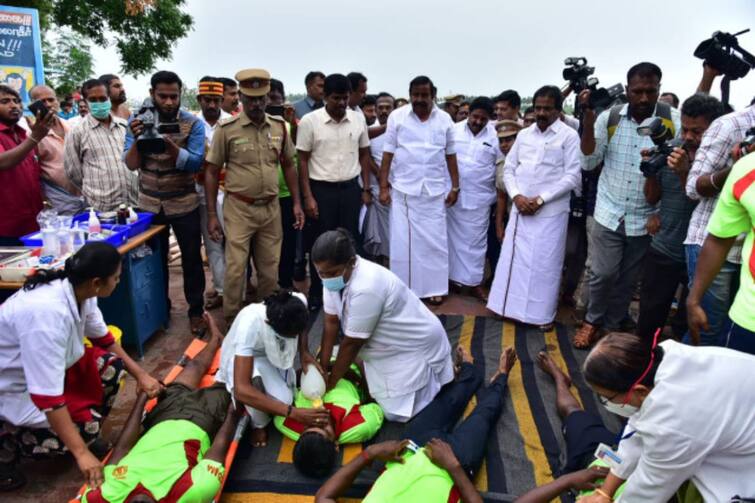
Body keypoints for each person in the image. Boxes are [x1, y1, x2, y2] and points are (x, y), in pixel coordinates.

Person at [0, 243, 162, 491]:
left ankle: (78, 436)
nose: (118, 282)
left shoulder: (81, 291)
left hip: (45, 372)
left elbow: (103, 338)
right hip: (12, 387)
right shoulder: (46, 315)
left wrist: (141, 375)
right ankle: (8, 445)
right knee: (85, 428)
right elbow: (48, 397)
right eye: (116, 278)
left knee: (111, 367)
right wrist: (81, 454)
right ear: (97, 282)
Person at [315, 346, 517, 503]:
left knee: (448, 401)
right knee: (484, 415)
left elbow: (323, 496)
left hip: (411, 447)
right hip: (456, 466)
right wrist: (453, 466)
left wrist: (371, 453)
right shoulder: (455, 466)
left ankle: (470, 372)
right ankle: (501, 377)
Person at [574, 62, 681, 348]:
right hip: (609, 210)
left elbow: (676, 175)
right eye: (638, 91)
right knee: (602, 273)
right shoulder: (609, 118)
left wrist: (660, 213)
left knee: (628, 278)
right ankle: (592, 320)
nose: (644, 98)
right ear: (627, 89)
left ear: (659, 88)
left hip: (645, 216)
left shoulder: (675, 121)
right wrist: (587, 119)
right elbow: (588, 161)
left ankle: (613, 324)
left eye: (651, 91)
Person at [81, 313, 240, 502]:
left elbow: (122, 448)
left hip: (161, 416)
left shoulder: (107, 495)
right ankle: (241, 341)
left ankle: (215, 339)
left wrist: (142, 400)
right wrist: (234, 412)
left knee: (194, 366)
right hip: (202, 419)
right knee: (231, 378)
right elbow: (216, 453)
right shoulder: (186, 493)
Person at [579, 332, 755, 502]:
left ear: (639, 390)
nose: (605, 403)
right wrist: (604, 493)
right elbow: (635, 433)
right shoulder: (656, 359)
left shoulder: (674, 423)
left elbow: (648, 491)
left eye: (608, 398)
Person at [313, 229, 454, 422]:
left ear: (351, 262)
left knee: (394, 413)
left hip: (412, 347)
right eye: (321, 273)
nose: (327, 278)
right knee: (345, 359)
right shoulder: (332, 277)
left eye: (332, 273)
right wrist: (322, 368)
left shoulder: (367, 286)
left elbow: (352, 343)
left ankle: (436, 380)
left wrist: (331, 382)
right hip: (383, 344)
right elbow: (330, 322)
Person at [206, 68, 303, 323]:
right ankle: (232, 322)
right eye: (251, 99)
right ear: (241, 99)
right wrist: (211, 216)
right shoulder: (227, 130)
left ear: (267, 97)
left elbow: (290, 164)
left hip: (271, 209)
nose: (257, 104)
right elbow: (212, 171)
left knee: (269, 271)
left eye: (261, 99)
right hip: (239, 208)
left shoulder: (280, 127)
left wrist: (296, 203)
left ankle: (265, 320)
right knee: (236, 269)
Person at [487, 86, 581, 329]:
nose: (541, 113)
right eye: (538, 107)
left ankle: (541, 316)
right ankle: (506, 308)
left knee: (544, 264)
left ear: (558, 110)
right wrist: (517, 196)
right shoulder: (525, 135)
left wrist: (541, 199)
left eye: (547, 109)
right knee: (514, 261)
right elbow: (509, 169)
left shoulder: (568, 136)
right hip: (520, 209)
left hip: (550, 213)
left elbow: (572, 176)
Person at [124, 70, 207, 333]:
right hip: (149, 205)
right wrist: (140, 139)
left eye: (174, 96)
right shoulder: (137, 121)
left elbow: (195, 163)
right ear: (152, 94)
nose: (170, 102)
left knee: (192, 260)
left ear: (181, 94)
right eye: (163, 96)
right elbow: (130, 163)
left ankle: (196, 311)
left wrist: (168, 144)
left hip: (184, 203)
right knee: (154, 262)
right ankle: (161, 311)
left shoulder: (193, 123)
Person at [636, 94, 723, 341]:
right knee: (649, 319)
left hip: (701, 255)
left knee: (689, 323)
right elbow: (652, 198)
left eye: (697, 131)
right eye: (685, 129)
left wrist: (685, 173)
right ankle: (643, 369)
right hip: (665, 248)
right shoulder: (670, 148)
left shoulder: (721, 160)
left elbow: (703, 200)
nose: (688, 137)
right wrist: (650, 171)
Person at [379, 75, 460, 305]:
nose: (420, 99)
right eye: (416, 94)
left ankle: (435, 288)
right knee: (403, 243)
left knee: (435, 242)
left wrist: (455, 186)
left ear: (433, 95)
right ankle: (404, 290)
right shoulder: (397, 117)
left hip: (434, 191)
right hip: (403, 189)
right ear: (410, 94)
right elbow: (388, 153)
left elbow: (451, 155)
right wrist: (383, 187)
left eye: (425, 95)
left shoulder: (444, 119)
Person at [296, 73, 372, 311]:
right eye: (336, 98)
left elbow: (364, 154)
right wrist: (308, 197)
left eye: (345, 98)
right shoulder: (310, 121)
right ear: (325, 96)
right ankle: (319, 295)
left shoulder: (357, 119)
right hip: (321, 192)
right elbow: (302, 161)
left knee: (350, 243)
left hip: (350, 190)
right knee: (321, 245)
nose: (341, 103)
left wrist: (366, 187)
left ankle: (351, 292)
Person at [683, 103, 755, 347]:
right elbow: (693, 187)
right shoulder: (729, 128)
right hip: (713, 246)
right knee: (708, 333)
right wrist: (735, 169)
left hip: (741, 255)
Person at [216, 290, 326, 447]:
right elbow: (242, 388)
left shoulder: (298, 302)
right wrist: (292, 413)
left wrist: (304, 352)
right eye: (289, 335)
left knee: (285, 400)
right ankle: (258, 424)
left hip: (269, 354)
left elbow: (302, 329)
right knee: (254, 388)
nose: (294, 337)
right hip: (243, 359)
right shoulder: (249, 325)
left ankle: (265, 398)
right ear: (269, 324)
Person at [514, 351, 621, 502]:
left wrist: (567, 481)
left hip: (590, 461)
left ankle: (560, 379)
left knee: (572, 412)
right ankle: (560, 379)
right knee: (574, 415)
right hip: (612, 454)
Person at [274, 364, 384, 478]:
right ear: (336, 445)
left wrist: (305, 372)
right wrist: (352, 370)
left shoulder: (286, 422)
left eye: (308, 426)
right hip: (350, 364)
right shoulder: (361, 427)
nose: (318, 420)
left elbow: (278, 416)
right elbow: (375, 406)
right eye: (324, 428)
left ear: (300, 435)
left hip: (315, 364)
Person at [447, 97, 501, 301]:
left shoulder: (496, 135)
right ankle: (451, 280)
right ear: (468, 114)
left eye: (483, 119)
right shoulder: (453, 130)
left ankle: (474, 283)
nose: (478, 122)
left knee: (476, 245)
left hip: (480, 199)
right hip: (453, 197)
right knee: (450, 242)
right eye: (475, 117)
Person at [64, 78, 139, 212]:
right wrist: (96, 190)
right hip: (102, 208)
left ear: (109, 98)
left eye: (103, 98)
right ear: (85, 102)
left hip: (134, 203)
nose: (99, 103)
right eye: (93, 100)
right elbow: (73, 172)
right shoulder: (77, 132)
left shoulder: (124, 126)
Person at [195, 77, 232, 311]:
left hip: (231, 192)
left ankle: (235, 289)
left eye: (216, 100)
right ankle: (221, 290)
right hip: (201, 192)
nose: (211, 105)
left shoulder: (232, 122)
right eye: (207, 100)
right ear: (199, 99)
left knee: (235, 243)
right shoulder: (191, 124)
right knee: (213, 243)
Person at [0, 84, 51, 246]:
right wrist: (35, 138)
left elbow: (33, 175)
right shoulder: (31, 138)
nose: (14, 105)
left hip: (33, 224)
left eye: (16, 101)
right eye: (5, 101)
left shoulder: (23, 134)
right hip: (6, 229)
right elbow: (2, 162)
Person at [28, 84, 85, 215]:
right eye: (42, 101)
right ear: (32, 105)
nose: (48, 104)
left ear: (57, 101)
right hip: (57, 200)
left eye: (51, 99)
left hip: (84, 194)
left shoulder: (71, 126)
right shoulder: (30, 132)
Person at [267, 78, 302, 290]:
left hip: (287, 194)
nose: (272, 104)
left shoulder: (288, 124)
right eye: (268, 99)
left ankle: (286, 282)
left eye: (276, 100)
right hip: (264, 196)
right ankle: (269, 285)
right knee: (267, 245)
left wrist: (292, 124)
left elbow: (296, 154)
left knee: (288, 243)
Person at [362, 92, 394, 262]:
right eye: (380, 108)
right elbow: (365, 157)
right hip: (376, 191)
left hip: (398, 189)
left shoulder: (401, 129)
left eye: (388, 107)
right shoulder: (370, 130)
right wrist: (382, 176)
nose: (383, 111)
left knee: (397, 233)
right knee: (379, 235)